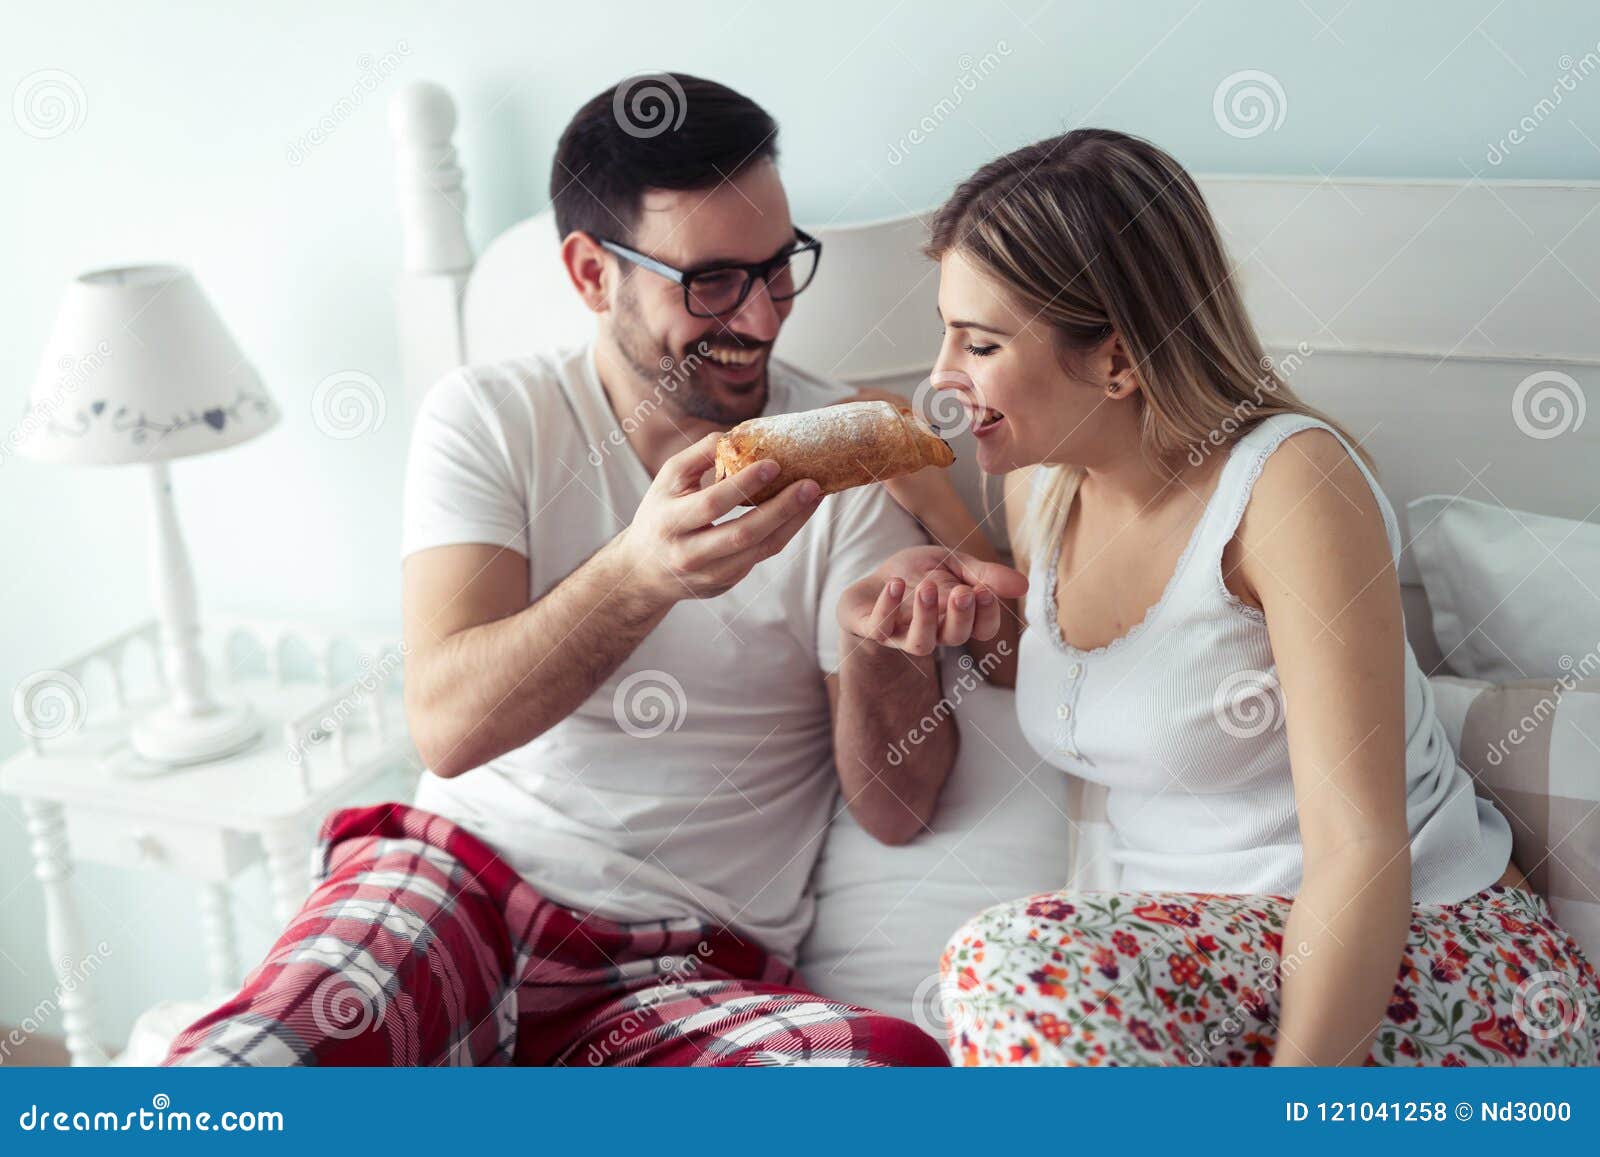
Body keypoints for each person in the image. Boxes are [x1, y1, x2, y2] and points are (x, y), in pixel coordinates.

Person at [164, 73, 1016, 1067]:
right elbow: (446, 726)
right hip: (457, 886)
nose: (760, 315)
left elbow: (895, 807)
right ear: (589, 273)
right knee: (250, 1069)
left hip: (691, 970)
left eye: (778, 266)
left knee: (887, 1072)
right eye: (709, 281)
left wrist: (880, 654)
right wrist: (643, 570)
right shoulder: (491, 418)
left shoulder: (842, 457)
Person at [840, 128, 1600, 1066]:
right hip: (1214, 970)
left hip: (1430, 967)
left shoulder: (1290, 489)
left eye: (981, 341)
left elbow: (1362, 854)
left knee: (1007, 962)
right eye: (945, 331)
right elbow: (1074, 667)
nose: (941, 375)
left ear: (1118, 361)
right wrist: (932, 521)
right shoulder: (1045, 483)